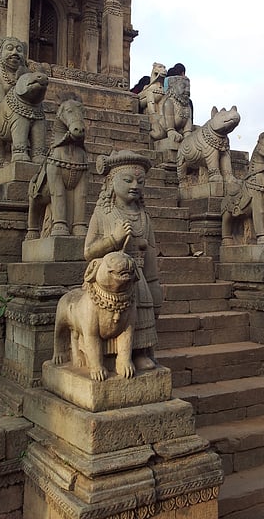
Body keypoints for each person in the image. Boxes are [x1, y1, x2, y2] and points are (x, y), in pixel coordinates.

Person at [84, 150, 162, 370]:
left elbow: (151, 257)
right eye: (127, 180)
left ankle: (140, 351)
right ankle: (111, 355)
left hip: (139, 278)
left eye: (140, 181)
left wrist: (155, 286)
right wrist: (113, 239)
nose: (135, 185)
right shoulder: (102, 214)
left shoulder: (144, 217)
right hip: (109, 282)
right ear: (111, 182)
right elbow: (89, 252)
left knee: (143, 310)